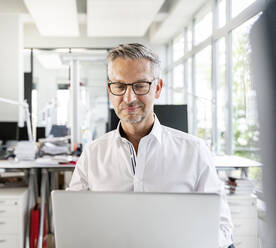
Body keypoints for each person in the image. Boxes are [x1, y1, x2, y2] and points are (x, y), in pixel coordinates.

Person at [68, 43, 233, 248]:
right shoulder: (92, 155)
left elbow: (222, 230)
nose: (129, 98)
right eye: (120, 86)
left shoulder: (194, 152)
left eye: (140, 85)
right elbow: (73, 226)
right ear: (110, 90)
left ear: (158, 88)